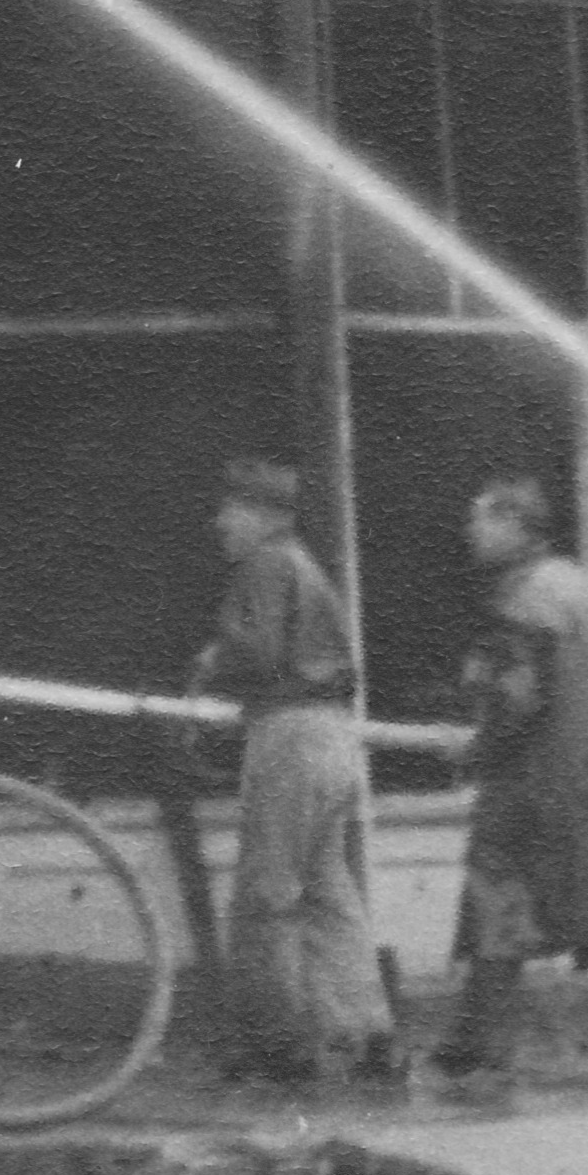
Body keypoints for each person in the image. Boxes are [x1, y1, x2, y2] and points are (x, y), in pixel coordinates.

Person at [189, 457, 397, 1084]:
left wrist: (211, 660)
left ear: (261, 514)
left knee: (265, 896)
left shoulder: (264, 565)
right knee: (330, 893)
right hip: (335, 739)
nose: (219, 522)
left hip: (289, 737)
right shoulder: (305, 567)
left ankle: (276, 1044)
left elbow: (258, 652)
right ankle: (367, 1031)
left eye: (230, 509)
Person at [428, 476, 588, 1093]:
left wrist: (478, 751)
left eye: (484, 519)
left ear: (519, 526)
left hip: (532, 779)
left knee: (496, 901)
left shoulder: (523, 598)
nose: (471, 531)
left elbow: (519, 698)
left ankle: (480, 1049)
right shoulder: (584, 583)